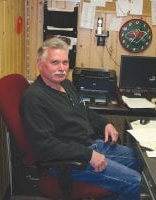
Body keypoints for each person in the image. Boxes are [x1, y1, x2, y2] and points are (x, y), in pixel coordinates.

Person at [20, 37, 141, 199]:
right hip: (68, 162)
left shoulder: (66, 85)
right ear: (40, 65)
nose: (62, 68)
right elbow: (45, 146)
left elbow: (85, 112)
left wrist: (106, 124)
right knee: (135, 181)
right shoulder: (34, 98)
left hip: (89, 146)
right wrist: (88, 155)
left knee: (140, 160)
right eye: (55, 63)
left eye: (65, 63)